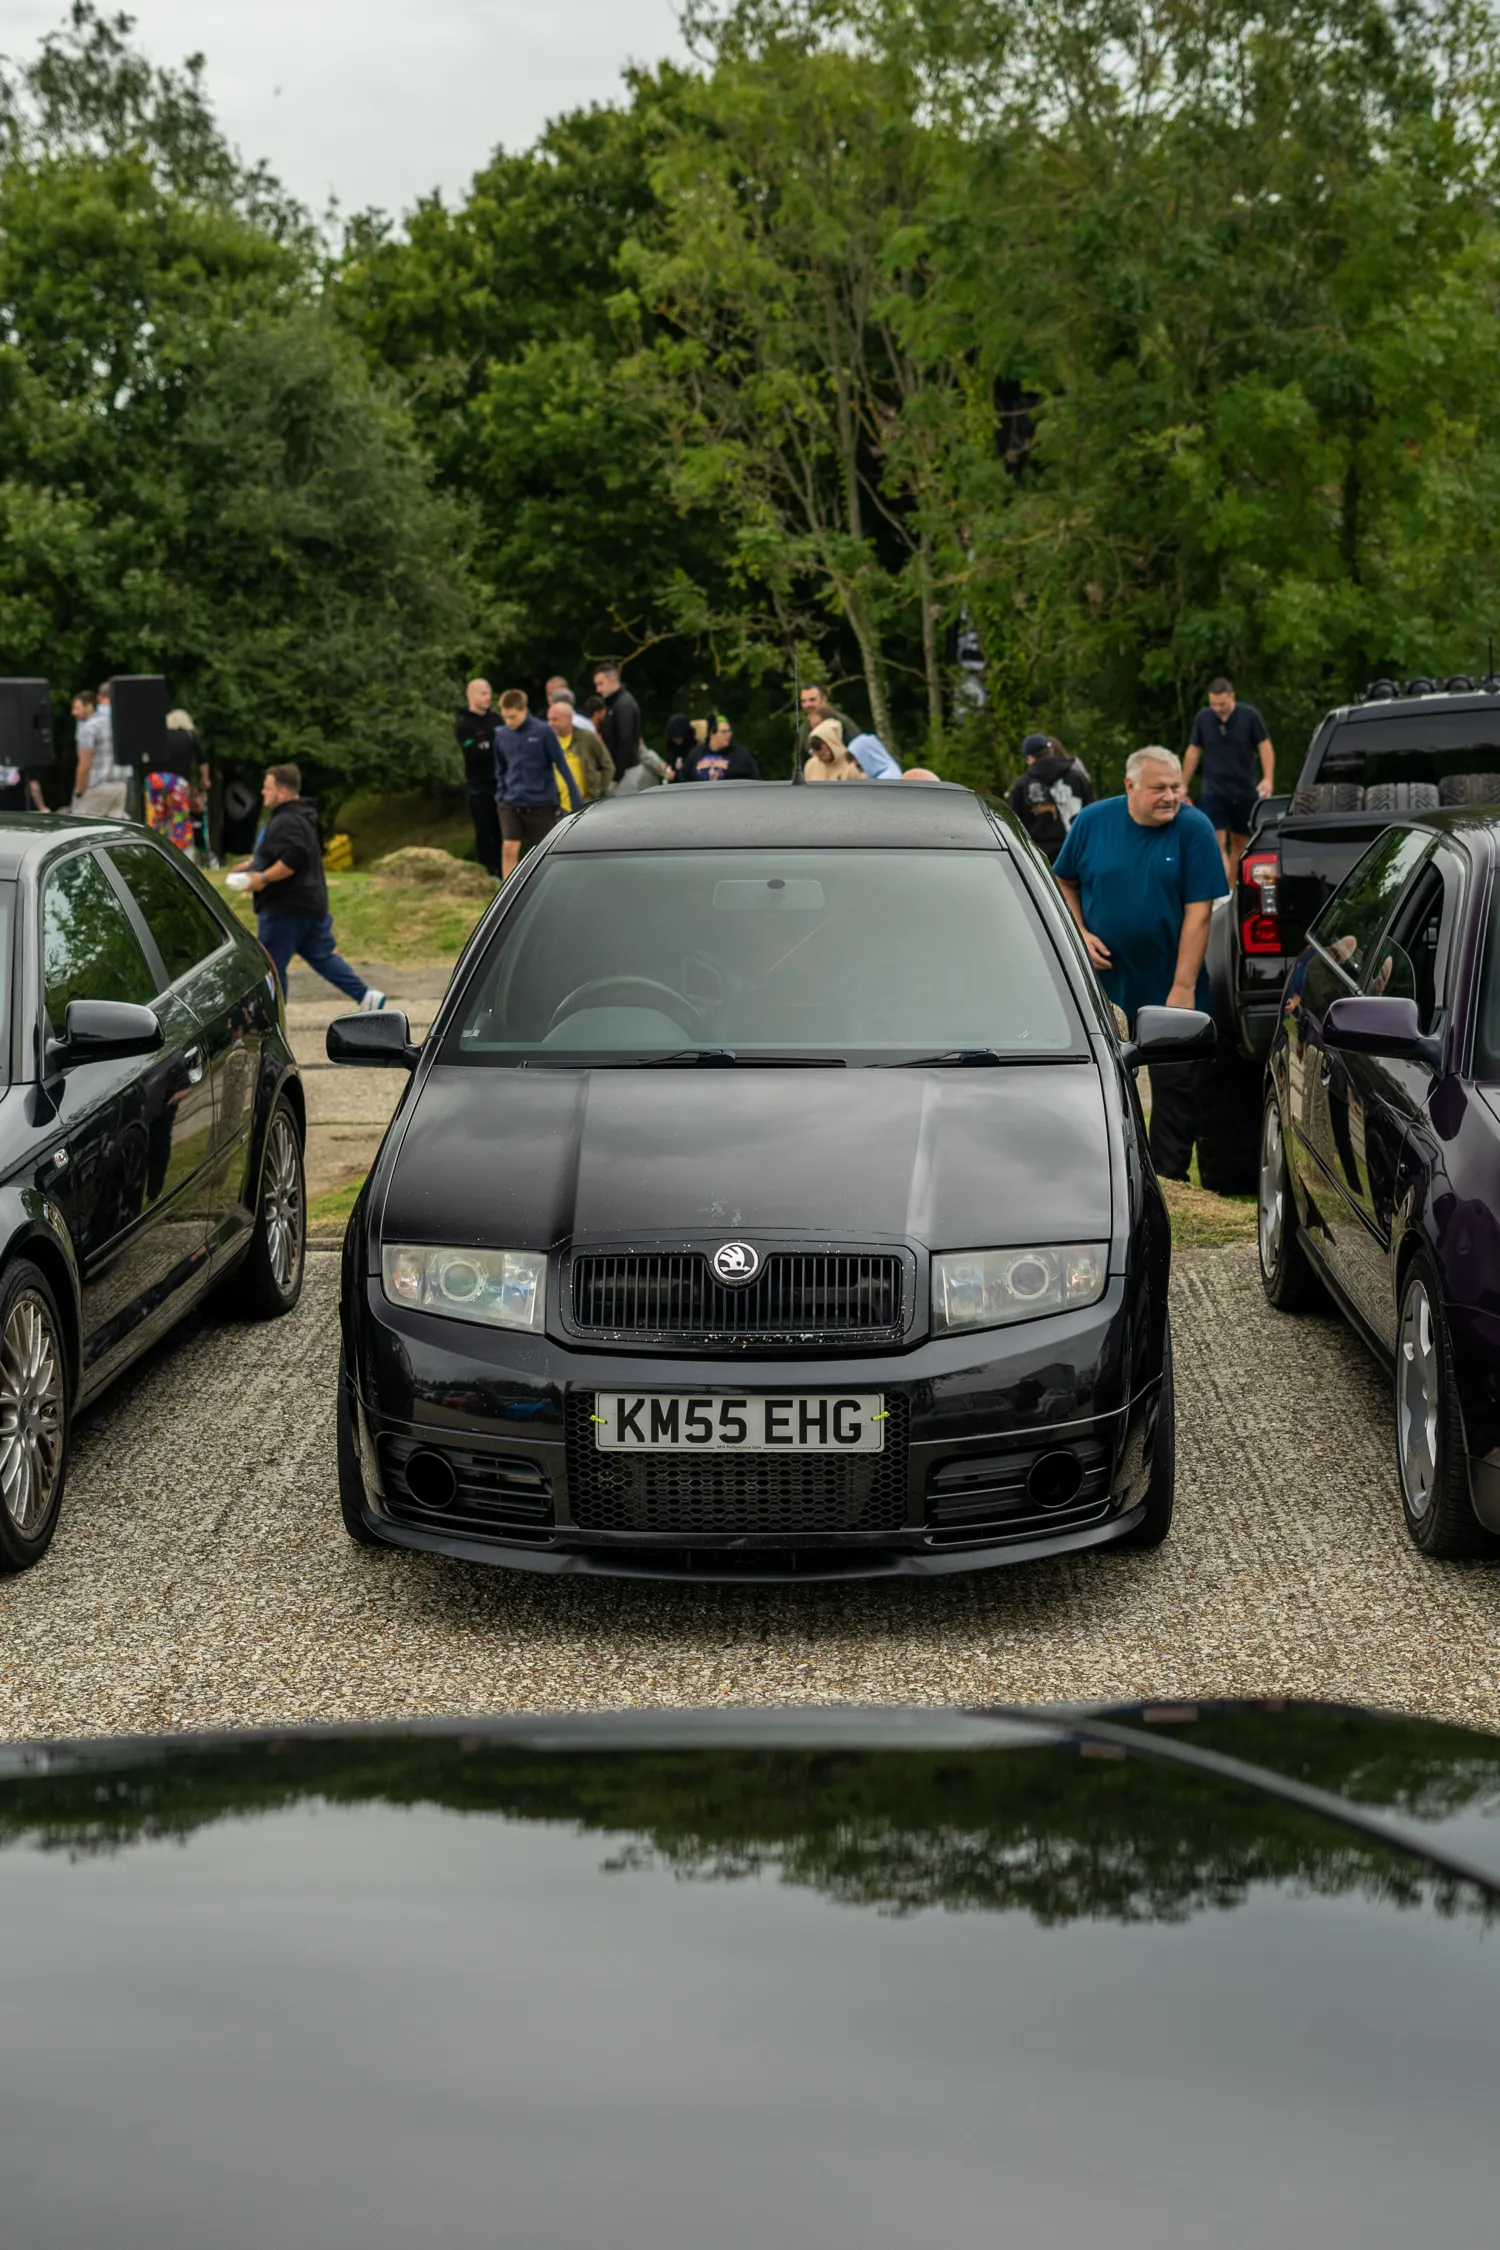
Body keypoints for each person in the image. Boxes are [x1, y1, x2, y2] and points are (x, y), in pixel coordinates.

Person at [1053, 746, 1227, 1181]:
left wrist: (1183, 986)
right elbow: (1064, 880)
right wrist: (1079, 933)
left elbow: (1199, 913)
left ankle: (1168, 1180)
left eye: (1176, 787)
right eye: (1159, 788)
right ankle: (1108, 1177)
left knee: (1175, 1087)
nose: (1170, 796)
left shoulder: (1194, 828)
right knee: (1103, 1083)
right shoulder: (1092, 821)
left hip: (1169, 983)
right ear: (1129, 786)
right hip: (1105, 988)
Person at [238, 764, 385, 1011]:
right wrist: (248, 866)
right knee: (321, 956)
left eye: (267, 787)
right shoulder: (300, 817)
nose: (263, 792)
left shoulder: (286, 820)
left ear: (282, 791)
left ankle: (273, 1017)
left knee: (270, 965)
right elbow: (280, 853)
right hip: (309, 902)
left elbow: (293, 857)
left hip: (285, 906)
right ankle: (366, 997)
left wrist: (262, 878)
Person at [1183, 676, 1275, 878]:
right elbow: (1193, 751)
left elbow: (1265, 746)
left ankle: (1233, 888)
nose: (1217, 708)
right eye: (1213, 704)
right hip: (1214, 789)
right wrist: (1183, 784)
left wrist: (1268, 778)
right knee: (1215, 841)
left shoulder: (1249, 716)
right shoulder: (1203, 718)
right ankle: (1222, 888)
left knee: (1239, 843)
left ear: (1232, 697)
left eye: (1221, 704)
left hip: (1244, 789)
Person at [494, 689, 583, 880]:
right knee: (509, 848)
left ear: (524, 710)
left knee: (544, 853)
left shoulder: (543, 732)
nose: (509, 722)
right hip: (510, 801)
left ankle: (549, 886)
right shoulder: (502, 735)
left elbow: (561, 765)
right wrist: (501, 793)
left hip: (541, 802)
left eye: (513, 717)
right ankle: (508, 890)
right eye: (505, 717)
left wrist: (575, 798)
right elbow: (500, 767)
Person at [1007, 733, 1095, 861]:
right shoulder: (1077, 778)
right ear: (1049, 751)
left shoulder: (1021, 786)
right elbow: (1092, 812)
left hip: (1039, 857)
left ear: (1029, 758)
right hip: (1076, 850)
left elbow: (1012, 824)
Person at [456, 679, 503, 878]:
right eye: (483, 693)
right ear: (472, 696)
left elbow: (503, 748)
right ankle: (487, 874)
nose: (488, 698)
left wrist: (487, 746)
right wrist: (489, 748)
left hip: (500, 785)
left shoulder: (496, 720)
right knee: (484, 832)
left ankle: (505, 873)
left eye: (489, 693)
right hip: (479, 787)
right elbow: (473, 754)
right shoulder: (465, 723)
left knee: (502, 832)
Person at [71, 688, 127, 818]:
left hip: (97, 785)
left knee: (82, 823)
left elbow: (85, 764)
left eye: (77, 708)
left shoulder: (88, 728)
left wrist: (79, 790)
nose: (74, 712)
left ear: (90, 706)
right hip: (119, 784)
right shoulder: (111, 722)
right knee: (115, 827)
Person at [548, 697, 612, 803]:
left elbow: (607, 765)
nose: (550, 723)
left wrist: (598, 791)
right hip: (557, 804)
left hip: (585, 802)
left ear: (568, 719)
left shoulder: (587, 737)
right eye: (549, 719)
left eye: (555, 719)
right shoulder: (548, 740)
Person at [592, 663, 642, 785]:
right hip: (621, 772)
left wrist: (616, 775)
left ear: (613, 679)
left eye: (601, 684)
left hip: (625, 773)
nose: (598, 689)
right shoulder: (614, 704)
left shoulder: (623, 705)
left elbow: (625, 741)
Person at [676, 714, 761, 782]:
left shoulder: (740, 755)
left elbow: (754, 780)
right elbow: (684, 779)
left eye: (729, 731)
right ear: (712, 733)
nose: (728, 735)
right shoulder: (696, 754)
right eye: (724, 732)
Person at [796, 681, 855, 757]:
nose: (807, 705)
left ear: (824, 699)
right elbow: (801, 759)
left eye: (812, 700)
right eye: (803, 701)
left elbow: (858, 749)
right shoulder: (804, 729)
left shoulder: (842, 722)